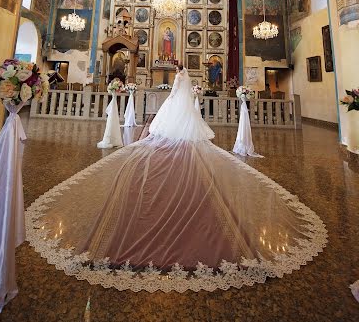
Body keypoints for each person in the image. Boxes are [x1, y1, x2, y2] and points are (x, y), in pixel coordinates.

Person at [27, 64, 326, 293]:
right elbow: (179, 97)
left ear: (177, 74)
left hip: (173, 112)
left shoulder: (177, 83)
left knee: (159, 137)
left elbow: (172, 96)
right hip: (182, 113)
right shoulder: (187, 80)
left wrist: (170, 99)